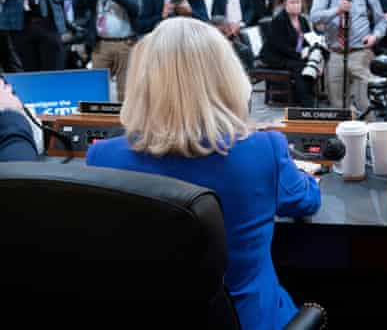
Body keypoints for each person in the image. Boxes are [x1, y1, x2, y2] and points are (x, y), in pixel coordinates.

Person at [86, 17, 320, 330]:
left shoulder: (102, 157)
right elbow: (306, 201)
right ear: (227, 77)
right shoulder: (265, 148)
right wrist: (301, 174)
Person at [309, 0, 387, 114]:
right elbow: (314, 17)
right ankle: (344, 136)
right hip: (336, 52)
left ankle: (368, 135)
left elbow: (381, 21)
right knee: (337, 103)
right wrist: (336, 11)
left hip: (360, 52)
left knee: (364, 102)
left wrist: (375, 36)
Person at [76, 0, 140, 100]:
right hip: (100, 44)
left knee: (127, 93)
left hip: (126, 43)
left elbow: (135, 7)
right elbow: (78, 11)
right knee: (96, 92)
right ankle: (100, 123)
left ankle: (126, 123)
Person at [258, 0, 316, 107]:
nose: (296, 5)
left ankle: (310, 94)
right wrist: (299, 55)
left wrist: (310, 50)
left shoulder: (303, 20)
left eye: (298, 2)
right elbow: (279, 46)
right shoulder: (279, 20)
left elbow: (308, 38)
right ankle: (306, 104)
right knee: (299, 65)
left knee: (312, 62)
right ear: (285, 5)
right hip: (275, 56)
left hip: (293, 54)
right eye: (293, 2)